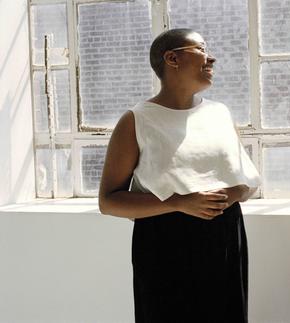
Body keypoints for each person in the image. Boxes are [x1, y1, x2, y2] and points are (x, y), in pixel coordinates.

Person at [98, 28, 260, 323]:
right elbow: (109, 201)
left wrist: (228, 196)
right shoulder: (137, 120)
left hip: (225, 234)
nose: (212, 58)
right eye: (201, 49)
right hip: (165, 242)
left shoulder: (219, 113)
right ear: (172, 58)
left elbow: (246, 182)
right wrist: (178, 202)